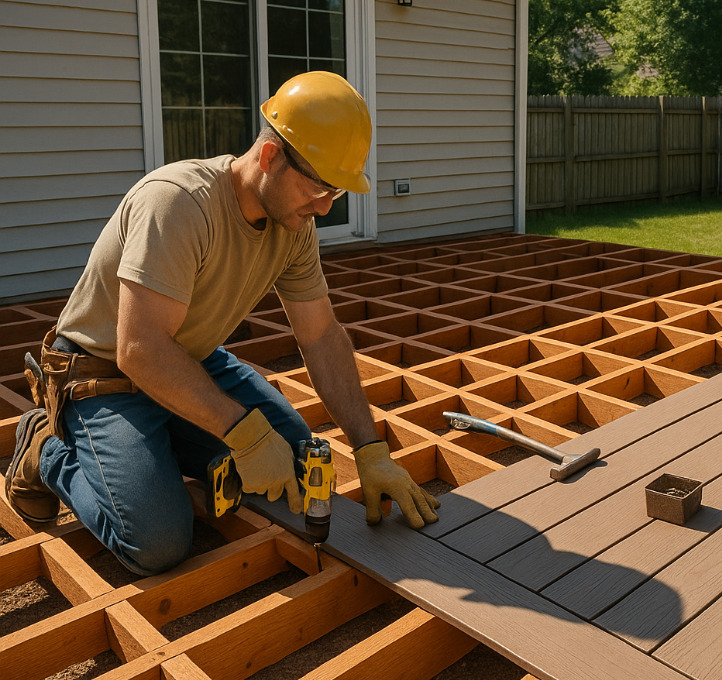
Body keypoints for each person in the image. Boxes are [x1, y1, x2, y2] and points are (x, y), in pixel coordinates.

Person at [6, 71, 439, 576]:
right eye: (318, 186)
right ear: (270, 156)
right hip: (103, 373)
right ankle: (46, 447)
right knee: (156, 541)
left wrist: (370, 448)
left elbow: (321, 336)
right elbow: (140, 349)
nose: (324, 207)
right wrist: (244, 434)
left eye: (336, 193)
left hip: (186, 359)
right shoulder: (178, 203)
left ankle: (159, 449)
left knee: (297, 459)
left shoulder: (294, 226)